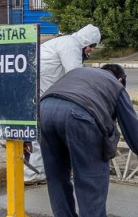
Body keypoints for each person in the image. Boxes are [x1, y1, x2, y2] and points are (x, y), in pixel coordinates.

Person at [39, 64, 138, 217]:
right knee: (90, 174)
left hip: (43, 111)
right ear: (120, 79)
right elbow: (132, 127)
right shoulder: (115, 85)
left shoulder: (78, 72)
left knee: (56, 174)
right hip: (79, 115)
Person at [24, 24, 101, 183]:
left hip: (37, 88)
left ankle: (37, 171)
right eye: (91, 46)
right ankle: (33, 173)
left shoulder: (63, 42)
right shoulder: (71, 45)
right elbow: (75, 77)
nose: (91, 50)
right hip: (40, 91)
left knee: (39, 131)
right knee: (40, 132)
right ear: (86, 42)